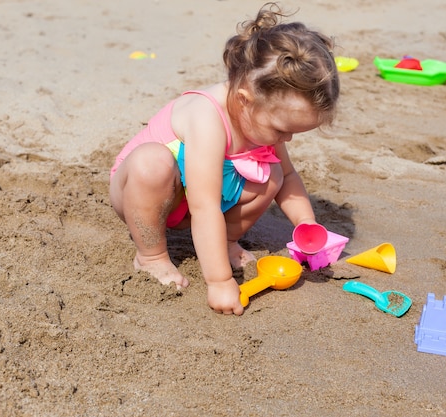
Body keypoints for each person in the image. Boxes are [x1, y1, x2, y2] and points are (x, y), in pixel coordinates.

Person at [109, 2, 340, 315]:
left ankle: (226, 241)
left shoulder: (260, 115)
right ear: (245, 101)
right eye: (281, 130)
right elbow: (204, 207)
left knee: (272, 173)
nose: (287, 139)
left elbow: (288, 178)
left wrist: (306, 224)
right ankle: (151, 256)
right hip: (148, 196)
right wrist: (219, 281)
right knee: (151, 164)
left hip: (203, 199)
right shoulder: (207, 117)